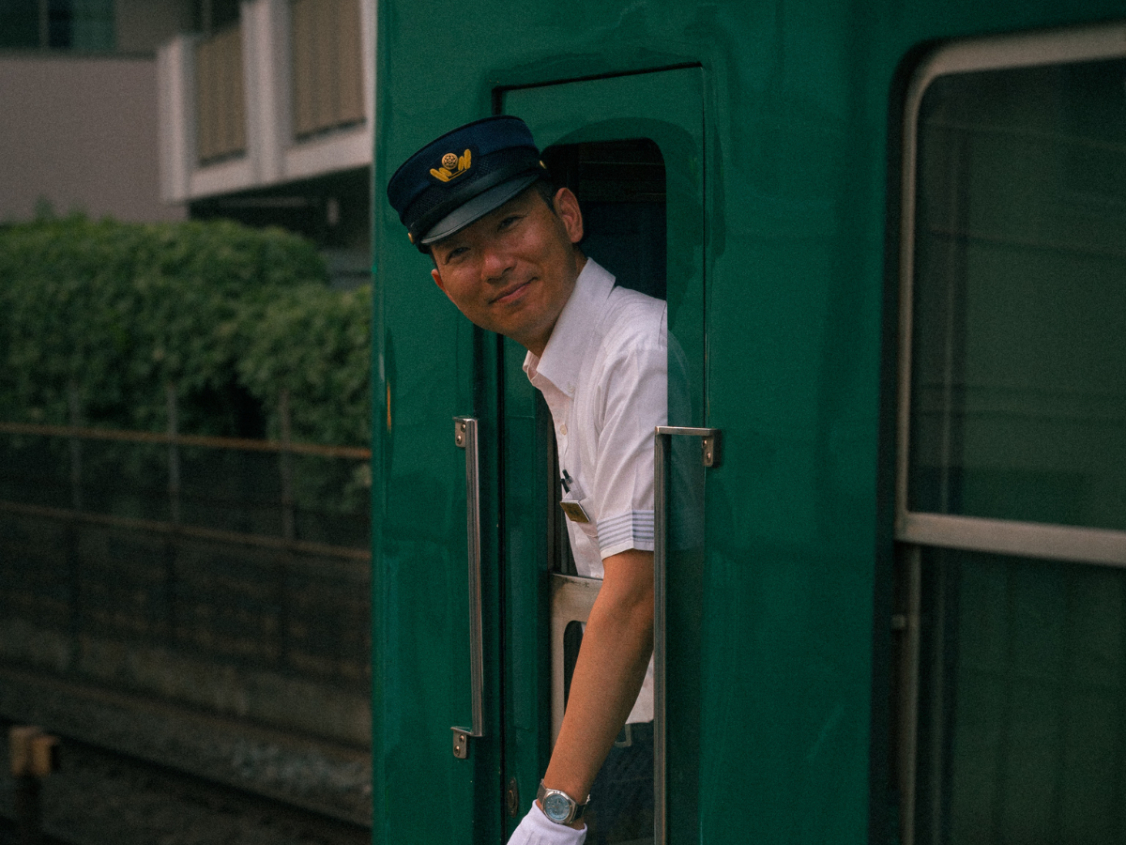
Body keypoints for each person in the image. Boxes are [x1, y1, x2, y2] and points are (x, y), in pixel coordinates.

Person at [387, 116, 667, 845]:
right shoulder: (566, 366)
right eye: (460, 252)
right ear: (440, 281)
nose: (494, 265)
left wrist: (555, 810)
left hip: (670, 731)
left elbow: (637, 595)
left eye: (510, 224)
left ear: (566, 216)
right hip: (637, 727)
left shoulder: (634, 353)